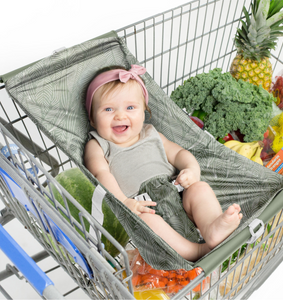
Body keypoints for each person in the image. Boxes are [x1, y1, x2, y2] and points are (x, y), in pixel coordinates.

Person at [84, 64, 242, 262]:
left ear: (144, 112)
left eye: (130, 107)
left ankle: (212, 227)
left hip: (176, 191)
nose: (120, 115)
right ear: (91, 118)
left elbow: (179, 154)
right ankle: (196, 251)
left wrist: (191, 170)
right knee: (147, 222)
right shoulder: (98, 144)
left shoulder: (152, 134)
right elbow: (101, 174)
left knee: (200, 188)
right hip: (141, 204)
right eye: (108, 109)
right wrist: (124, 202)